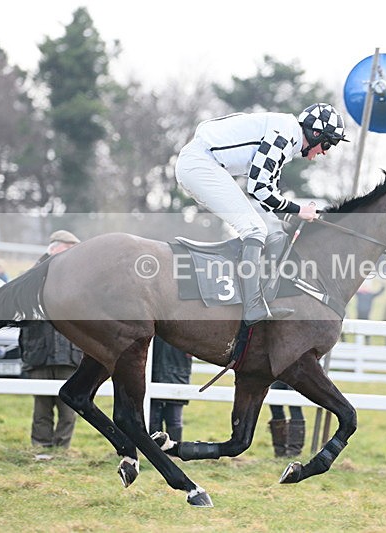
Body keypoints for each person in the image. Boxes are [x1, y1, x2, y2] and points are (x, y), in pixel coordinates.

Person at [175, 103, 347, 325]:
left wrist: (291, 216)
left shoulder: (286, 135)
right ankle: (253, 305)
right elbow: (258, 188)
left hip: (201, 163)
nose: (324, 152)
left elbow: (268, 198)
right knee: (255, 228)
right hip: (200, 164)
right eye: (327, 144)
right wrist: (298, 210)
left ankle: (253, 296)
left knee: (261, 228)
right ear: (315, 133)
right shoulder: (284, 135)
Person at [19, 230, 83, 449]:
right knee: (42, 407)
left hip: (70, 353)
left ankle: (62, 449)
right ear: (54, 248)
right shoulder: (33, 275)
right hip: (40, 350)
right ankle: (40, 447)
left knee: (69, 409)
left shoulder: (80, 278)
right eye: (68, 248)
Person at [149, 335, 193, 442]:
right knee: (153, 417)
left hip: (174, 373)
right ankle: (155, 450)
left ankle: (173, 450)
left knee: (173, 418)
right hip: (159, 373)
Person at [267, 381, 305, 457]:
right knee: (274, 403)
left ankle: (294, 451)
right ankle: (279, 451)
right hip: (279, 373)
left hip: (296, 372)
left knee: (294, 406)